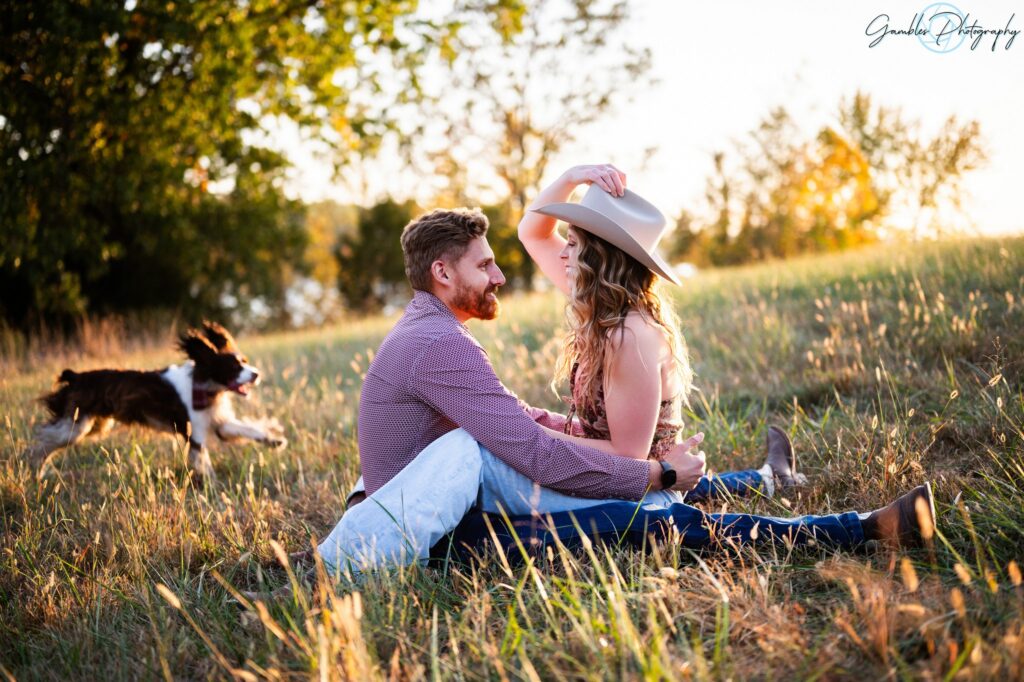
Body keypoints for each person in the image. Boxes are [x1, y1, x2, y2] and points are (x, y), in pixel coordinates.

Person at [296, 185, 935, 581]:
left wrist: (627, 459)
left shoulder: (446, 332)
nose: (503, 275)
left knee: (645, 510)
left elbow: (522, 426)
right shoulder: (440, 341)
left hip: (454, 508)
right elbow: (529, 443)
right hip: (446, 533)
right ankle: (857, 527)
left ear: (599, 256)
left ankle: (805, 503)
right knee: (650, 518)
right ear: (443, 272)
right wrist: (655, 474)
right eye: (485, 265)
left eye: (575, 242)